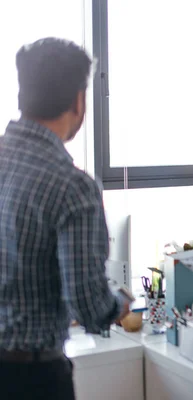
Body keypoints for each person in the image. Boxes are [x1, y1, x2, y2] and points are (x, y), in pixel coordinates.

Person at [0, 38, 130, 399]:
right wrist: (120, 303)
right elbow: (89, 306)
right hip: (30, 378)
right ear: (78, 100)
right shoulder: (72, 186)